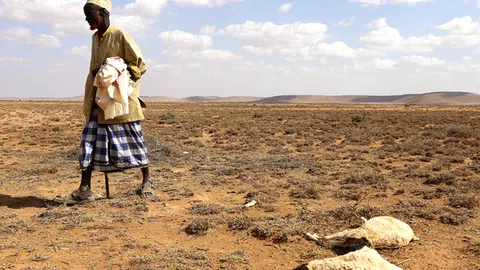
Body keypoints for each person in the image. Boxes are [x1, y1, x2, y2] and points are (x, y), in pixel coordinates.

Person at [56, 0, 153, 204]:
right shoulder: (95, 38)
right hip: (98, 100)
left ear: (103, 12)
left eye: (90, 15)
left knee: (134, 140)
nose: (87, 20)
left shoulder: (120, 35)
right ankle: (85, 190)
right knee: (88, 142)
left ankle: (147, 182)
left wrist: (121, 77)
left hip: (120, 101)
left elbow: (140, 65)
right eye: (86, 16)